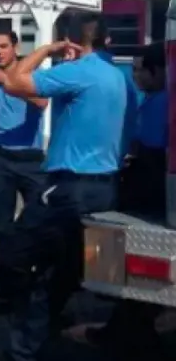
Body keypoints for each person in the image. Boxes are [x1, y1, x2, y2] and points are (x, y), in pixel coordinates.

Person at [0, 14, 128, 361]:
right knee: (59, 270)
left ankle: (22, 323)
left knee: (13, 253)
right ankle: (29, 346)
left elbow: (15, 82)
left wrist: (47, 49)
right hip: (106, 189)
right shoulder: (120, 78)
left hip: (69, 188)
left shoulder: (78, 72)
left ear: (72, 42)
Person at [63, 41, 169, 359]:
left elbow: (146, 149)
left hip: (147, 194)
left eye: (138, 70)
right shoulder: (158, 99)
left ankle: (121, 334)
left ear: (157, 71)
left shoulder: (158, 103)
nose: (134, 76)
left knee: (126, 272)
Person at [0, 29, 48, 316]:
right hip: (0, 160)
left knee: (40, 227)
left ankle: (38, 290)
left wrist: (7, 82)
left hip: (32, 161)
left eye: (3, 46)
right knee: (1, 229)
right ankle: (7, 293)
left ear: (16, 47)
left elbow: (42, 103)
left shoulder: (29, 76)